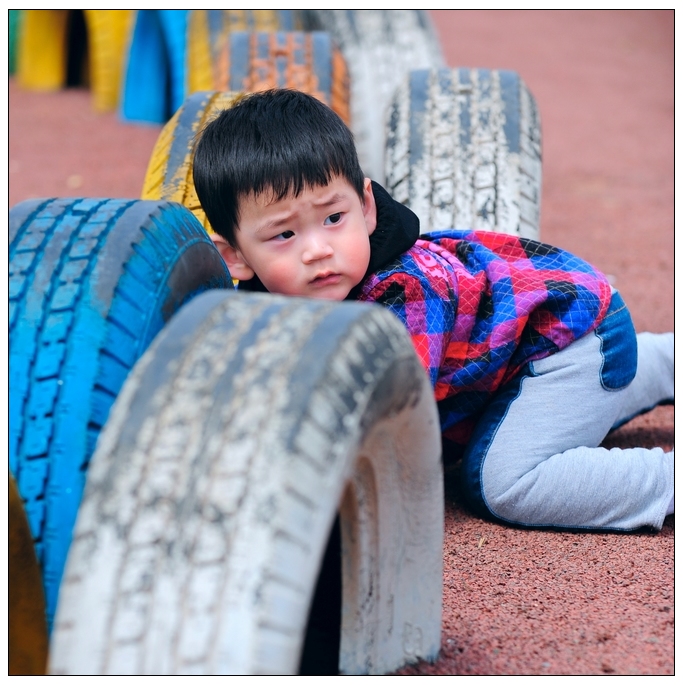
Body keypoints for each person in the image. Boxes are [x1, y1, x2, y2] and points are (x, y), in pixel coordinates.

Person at [192, 88, 674, 532]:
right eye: (285, 235)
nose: (318, 249)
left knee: (503, 483)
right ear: (234, 255)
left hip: (567, 342)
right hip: (535, 347)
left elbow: (394, 425)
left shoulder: (403, 294)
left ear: (366, 206)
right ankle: (661, 364)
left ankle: (664, 479)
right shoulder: (265, 304)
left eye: (333, 218)